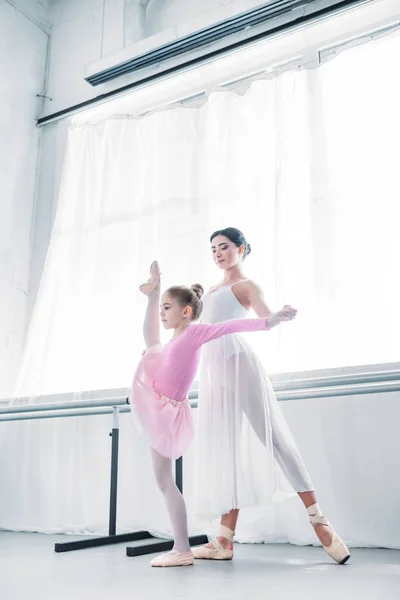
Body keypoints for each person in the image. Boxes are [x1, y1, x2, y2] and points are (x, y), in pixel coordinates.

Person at [192, 228, 350, 565]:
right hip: (213, 370)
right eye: (213, 249)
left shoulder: (245, 286)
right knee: (225, 450)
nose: (218, 253)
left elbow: (265, 316)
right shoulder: (210, 289)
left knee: (274, 438)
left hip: (237, 361)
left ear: (241, 248)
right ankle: (224, 539)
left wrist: (276, 317)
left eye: (224, 247)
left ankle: (318, 518)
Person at [130, 260, 297, 567]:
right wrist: (153, 295)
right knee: (163, 480)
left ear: (187, 312)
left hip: (167, 414)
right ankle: (180, 548)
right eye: (161, 308)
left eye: (167, 308)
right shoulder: (172, 340)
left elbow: (230, 326)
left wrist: (269, 320)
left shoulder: (194, 334)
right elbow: (149, 336)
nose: (162, 314)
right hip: (159, 406)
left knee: (165, 480)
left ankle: (181, 550)